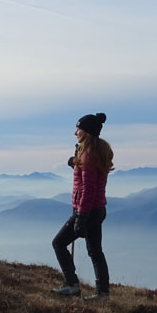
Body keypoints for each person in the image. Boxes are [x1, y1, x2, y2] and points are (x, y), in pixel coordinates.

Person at [51, 112, 114, 301]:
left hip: (86, 210)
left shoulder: (88, 155)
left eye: (78, 129)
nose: (75, 132)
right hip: (98, 209)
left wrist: (81, 216)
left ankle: (72, 285)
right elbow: (91, 177)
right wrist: (75, 163)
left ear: (86, 132)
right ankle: (102, 294)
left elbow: (88, 189)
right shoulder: (97, 152)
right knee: (96, 252)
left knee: (59, 243)